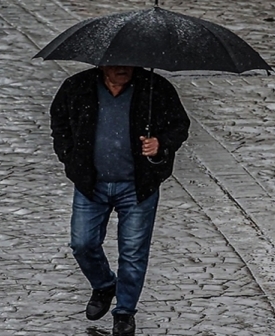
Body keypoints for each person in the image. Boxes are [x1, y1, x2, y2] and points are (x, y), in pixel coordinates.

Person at [49, 65, 190, 336]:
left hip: (137, 186)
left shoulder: (155, 89)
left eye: (128, 62)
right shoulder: (77, 87)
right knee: (82, 243)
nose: (122, 68)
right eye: (116, 62)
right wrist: (71, 159)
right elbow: (60, 123)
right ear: (102, 64)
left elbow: (179, 125)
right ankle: (104, 284)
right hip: (92, 185)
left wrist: (160, 143)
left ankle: (124, 312)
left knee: (133, 252)